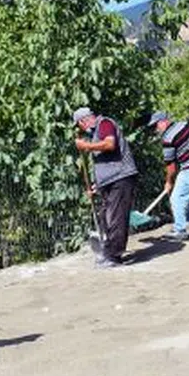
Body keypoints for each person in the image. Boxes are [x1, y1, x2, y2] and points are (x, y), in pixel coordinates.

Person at [73, 107, 139, 267]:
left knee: (115, 217)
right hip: (111, 180)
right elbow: (105, 163)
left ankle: (113, 256)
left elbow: (110, 144)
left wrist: (87, 146)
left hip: (121, 177)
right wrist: (97, 185)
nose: (80, 129)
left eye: (79, 125)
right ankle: (109, 251)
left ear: (83, 121)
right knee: (105, 217)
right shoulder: (96, 133)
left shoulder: (105, 123)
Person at [148, 112, 189, 240]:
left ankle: (179, 230)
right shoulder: (185, 124)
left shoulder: (167, 139)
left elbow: (171, 167)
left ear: (163, 121)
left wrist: (169, 182)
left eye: (155, 126)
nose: (155, 130)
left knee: (176, 198)